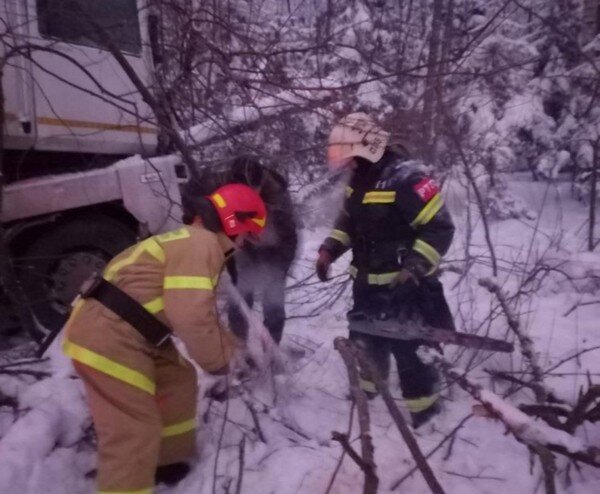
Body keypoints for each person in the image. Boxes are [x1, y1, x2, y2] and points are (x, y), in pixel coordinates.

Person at [62, 183, 267, 493]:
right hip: (108, 334)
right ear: (234, 221)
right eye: (247, 235)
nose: (243, 245)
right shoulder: (203, 244)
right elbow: (191, 318)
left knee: (179, 377)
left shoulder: (192, 242)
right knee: (132, 429)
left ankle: (167, 461)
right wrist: (223, 361)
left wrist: (234, 348)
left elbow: (202, 314)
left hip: (131, 330)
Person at [316, 112, 455, 428]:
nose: (344, 163)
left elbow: (440, 227)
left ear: (365, 148)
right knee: (364, 340)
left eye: (347, 154)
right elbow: (350, 221)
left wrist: (415, 267)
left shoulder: (409, 178)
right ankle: (367, 399)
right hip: (366, 284)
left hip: (406, 288)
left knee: (411, 352)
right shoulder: (360, 179)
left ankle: (427, 415)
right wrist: (329, 249)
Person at [192, 156, 298, 345]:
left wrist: (278, 269)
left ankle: (271, 350)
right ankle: (240, 347)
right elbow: (194, 195)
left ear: (260, 185)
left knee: (273, 301)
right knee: (239, 298)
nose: (245, 196)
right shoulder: (220, 182)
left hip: (274, 251)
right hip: (242, 249)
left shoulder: (277, 198)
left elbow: (287, 239)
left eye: (251, 192)